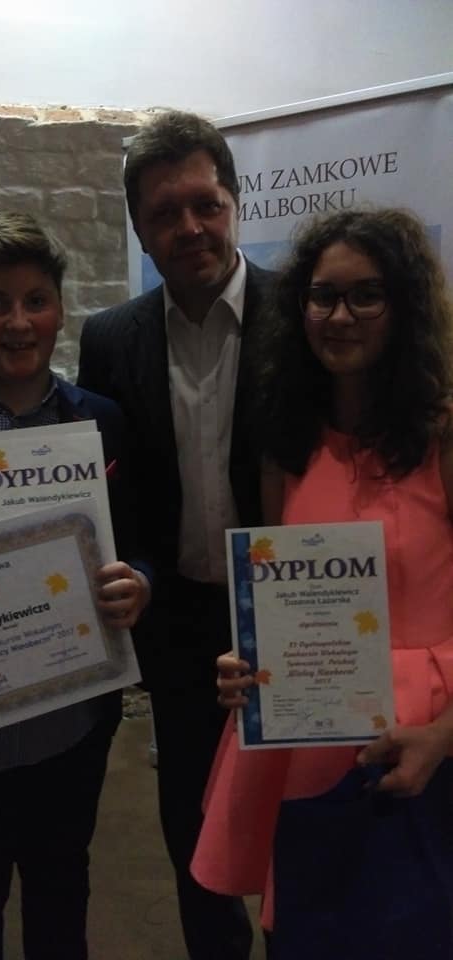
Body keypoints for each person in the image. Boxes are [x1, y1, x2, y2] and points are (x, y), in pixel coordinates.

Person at [191, 207, 453, 959]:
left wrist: (443, 737)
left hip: (430, 753)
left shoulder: (443, 436)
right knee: (308, 936)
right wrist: (247, 663)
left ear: (404, 307)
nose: (340, 317)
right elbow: (279, 605)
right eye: (323, 296)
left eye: (366, 296)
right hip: (308, 748)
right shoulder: (288, 445)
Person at [0, 210, 152, 960]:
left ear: (59, 308)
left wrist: (139, 583)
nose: (18, 323)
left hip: (70, 722)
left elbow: (139, 542)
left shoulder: (104, 423)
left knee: (61, 890)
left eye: (36, 301)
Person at [77, 110, 272, 960]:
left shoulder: (302, 313)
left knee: (302, 814)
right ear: (138, 226)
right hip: (178, 617)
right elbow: (108, 491)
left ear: (233, 202)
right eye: (165, 212)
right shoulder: (108, 339)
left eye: (205, 204)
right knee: (192, 823)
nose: (189, 227)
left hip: (293, 606)